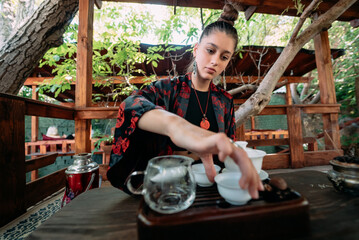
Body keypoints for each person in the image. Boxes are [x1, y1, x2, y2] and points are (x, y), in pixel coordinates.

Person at [107, 3, 263, 198]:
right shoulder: (166, 90)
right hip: (169, 191)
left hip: (212, 190)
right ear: (196, 49)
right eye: (210, 50)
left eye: (224, 57)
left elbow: (226, 151)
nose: (215, 61)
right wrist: (175, 125)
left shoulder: (225, 101)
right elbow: (129, 107)